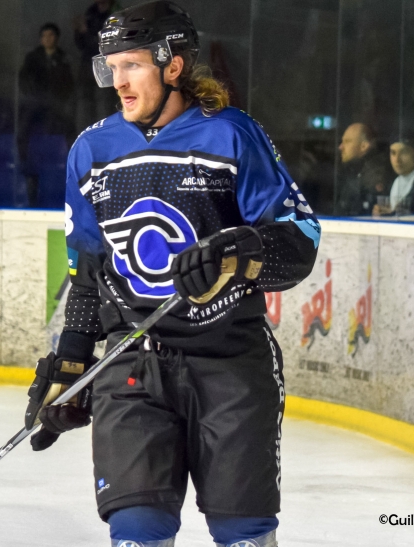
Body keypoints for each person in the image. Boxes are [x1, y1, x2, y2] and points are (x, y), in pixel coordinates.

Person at [23, 3, 321, 546]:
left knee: (243, 532)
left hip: (230, 362)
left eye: (131, 65)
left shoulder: (232, 135)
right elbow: (89, 273)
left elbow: (300, 244)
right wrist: (70, 359)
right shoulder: (91, 151)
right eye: (110, 67)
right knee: (137, 529)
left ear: (173, 66)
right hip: (133, 365)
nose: (118, 81)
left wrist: (239, 255)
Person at [18, 22, 75, 206]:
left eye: (51, 35)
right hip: (35, 103)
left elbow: (68, 84)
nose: (47, 39)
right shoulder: (32, 57)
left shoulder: (64, 58)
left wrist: (56, 99)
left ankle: (73, 165)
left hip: (56, 106)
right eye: (44, 36)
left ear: (56, 38)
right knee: (22, 129)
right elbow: (24, 81)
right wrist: (37, 96)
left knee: (70, 128)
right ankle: (24, 165)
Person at [73, 0, 122, 129]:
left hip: (108, 63)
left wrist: (86, 33)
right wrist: (79, 31)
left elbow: (109, 44)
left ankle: (103, 133)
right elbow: (81, 45)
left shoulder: (117, 13)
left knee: (104, 101)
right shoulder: (90, 12)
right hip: (87, 64)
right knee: (83, 101)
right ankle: (83, 135)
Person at [373, 134, 414, 216]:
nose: (397, 160)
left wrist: (390, 214)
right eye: (393, 153)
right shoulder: (400, 178)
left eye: (403, 152)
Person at [336, 122, 391, 216]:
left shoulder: (374, 175)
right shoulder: (353, 170)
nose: (340, 147)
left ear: (364, 146)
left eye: (347, 141)